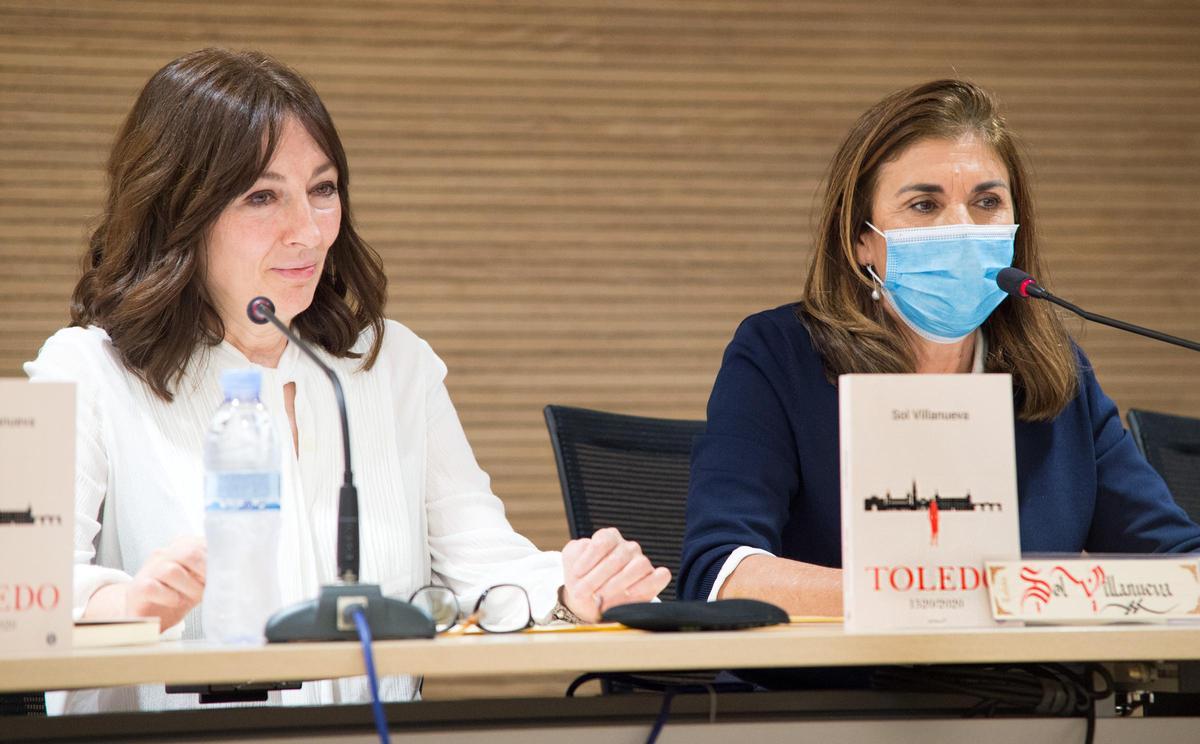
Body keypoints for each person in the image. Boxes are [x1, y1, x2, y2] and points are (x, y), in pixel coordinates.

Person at [25, 48, 669, 712]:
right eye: (262, 196)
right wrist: (126, 604)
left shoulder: (391, 368)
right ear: (178, 211)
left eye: (323, 190)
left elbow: (486, 569)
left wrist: (572, 586)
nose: (307, 230)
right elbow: (23, 591)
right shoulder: (86, 372)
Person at [678, 79, 1200, 615]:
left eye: (987, 202)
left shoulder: (1055, 372)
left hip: (1029, 694)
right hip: (836, 694)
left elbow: (1178, 561)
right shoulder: (780, 356)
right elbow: (721, 572)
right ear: (863, 241)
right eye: (925, 204)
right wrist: (937, 598)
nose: (962, 229)